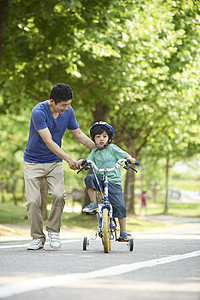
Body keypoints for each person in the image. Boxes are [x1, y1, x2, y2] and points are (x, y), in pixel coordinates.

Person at [23, 83, 95, 250]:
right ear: (52, 101)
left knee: (58, 195)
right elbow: (48, 141)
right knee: (33, 201)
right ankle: (37, 237)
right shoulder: (38, 112)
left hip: (54, 162)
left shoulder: (68, 111)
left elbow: (78, 134)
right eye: (63, 105)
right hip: (33, 162)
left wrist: (97, 147)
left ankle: (54, 232)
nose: (67, 108)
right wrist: (69, 159)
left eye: (69, 104)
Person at [77, 121, 136, 241]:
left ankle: (123, 231)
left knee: (119, 206)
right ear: (94, 139)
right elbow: (88, 161)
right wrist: (82, 162)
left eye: (104, 136)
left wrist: (130, 159)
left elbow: (125, 155)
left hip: (113, 182)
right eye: (98, 137)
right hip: (100, 180)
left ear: (109, 138)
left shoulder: (113, 148)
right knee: (89, 178)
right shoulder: (94, 152)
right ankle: (93, 203)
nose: (101, 139)